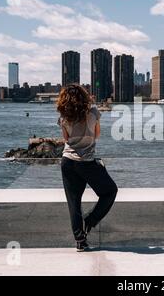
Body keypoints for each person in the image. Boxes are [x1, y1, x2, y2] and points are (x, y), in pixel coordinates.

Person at [56, 84, 118, 252]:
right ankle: (91, 220)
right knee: (110, 191)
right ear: (85, 97)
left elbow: (67, 139)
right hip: (87, 162)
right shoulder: (93, 113)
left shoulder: (63, 117)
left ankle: (80, 241)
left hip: (68, 161)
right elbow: (96, 135)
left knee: (74, 202)